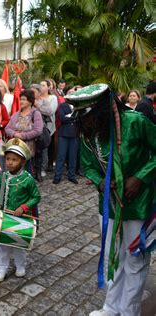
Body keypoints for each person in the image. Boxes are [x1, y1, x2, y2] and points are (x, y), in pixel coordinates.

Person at [66, 84, 155, 316]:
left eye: (89, 117)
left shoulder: (136, 122)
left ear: (104, 110)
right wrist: (100, 182)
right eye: (81, 119)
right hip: (109, 205)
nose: (85, 123)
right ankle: (111, 307)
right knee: (113, 255)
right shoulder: (87, 131)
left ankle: (129, 311)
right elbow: (87, 165)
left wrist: (140, 178)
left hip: (139, 202)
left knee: (135, 259)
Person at [0, 138, 40, 282]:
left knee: (19, 245)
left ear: (23, 162)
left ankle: (20, 266)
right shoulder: (3, 176)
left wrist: (23, 208)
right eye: (8, 159)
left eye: (14, 160)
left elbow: (36, 197)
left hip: (21, 219)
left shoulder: (28, 179)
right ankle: (1, 269)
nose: (10, 162)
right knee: (2, 246)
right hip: (4, 216)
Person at [5, 90, 44, 164]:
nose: (21, 101)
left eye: (24, 99)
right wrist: (15, 134)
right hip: (16, 148)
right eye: (20, 99)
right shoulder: (16, 114)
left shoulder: (36, 114)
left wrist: (23, 136)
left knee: (27, 171)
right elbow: (7, 128)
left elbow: (38, 130)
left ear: (30, 101)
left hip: (28, 149)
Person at [53, 86, 79, 184]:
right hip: (64, 133)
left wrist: (70, 117)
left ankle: (71, 175)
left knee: (73, 156)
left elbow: (80, 118)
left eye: (74, 92)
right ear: (66, 94)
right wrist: (74, 117)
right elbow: (63, 119)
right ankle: (57, 176)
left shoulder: (78, 106)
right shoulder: (62, 105)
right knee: (61, 155)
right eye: (70, 92)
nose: (72, 93)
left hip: (75, 133)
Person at [39, 80, 58, 176]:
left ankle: (44, 168)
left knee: (45, 148)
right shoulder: (37, 97)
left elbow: (50, 111)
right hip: (37, 126)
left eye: (43, 85)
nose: (41, 86)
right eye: (40, 85)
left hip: (49, 127)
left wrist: (37, 105)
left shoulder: (53, 98)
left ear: (48, 87)